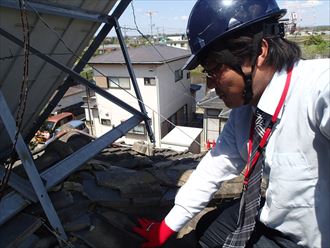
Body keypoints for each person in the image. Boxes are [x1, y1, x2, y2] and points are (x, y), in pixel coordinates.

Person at [133, 0, 330, 247]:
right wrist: (167, 227)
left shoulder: (318, 88)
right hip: (272, 218)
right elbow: (214, 166)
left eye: (215, 69)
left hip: (308, 241)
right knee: (207, 226)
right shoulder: (247, 110)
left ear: (260, 51)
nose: (212, 85)